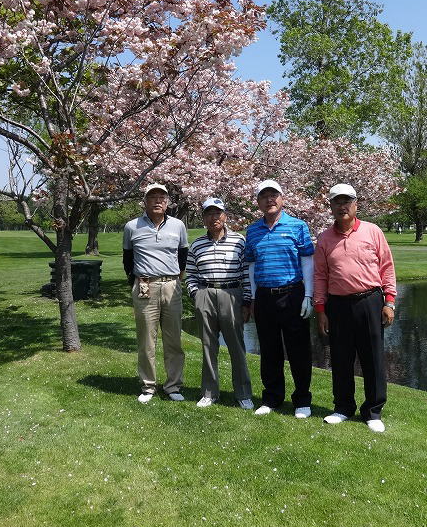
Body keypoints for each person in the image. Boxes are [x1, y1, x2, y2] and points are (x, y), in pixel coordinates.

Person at [313, 184, 396, 433]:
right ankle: (343, 407)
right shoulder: (325, 238)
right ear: (330, 206)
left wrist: (389, 302)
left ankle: (373, 411)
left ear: (356, 204)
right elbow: (320, 276)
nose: (342, 206)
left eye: (347, 201)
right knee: (341, 358)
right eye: (337, 202)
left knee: (372, 358)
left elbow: (387, 267)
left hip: (370, 301)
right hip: (337, 304)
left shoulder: (372, 231)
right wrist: (321, 310)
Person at [245, 179, 315, 419]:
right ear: (258, 202)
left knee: (299, 350)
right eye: (264, 196)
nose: (269, 200)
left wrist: (308, 295)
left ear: (282, 199)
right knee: (269, 350)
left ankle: (302, 400)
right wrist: (254, 297)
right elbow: (251, 265)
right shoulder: (253, 230)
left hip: (292, 294)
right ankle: (272, 398)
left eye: (273, 195)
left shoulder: (298, 226)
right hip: (265, 296)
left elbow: (307, 261)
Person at [185, 198, 254, 410]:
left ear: (224, 216)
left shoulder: (239, 241)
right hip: (205, 294)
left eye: (217, 213)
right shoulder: (196, 244)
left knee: (236, 346)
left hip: (231, 294)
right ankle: (209, 393)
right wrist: (196, 295)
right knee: (208, 346)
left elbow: (246, 273)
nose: (213, 217)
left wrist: (247, 300)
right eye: (209, 214)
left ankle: (243, 393)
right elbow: (190, 274)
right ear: (203, 218)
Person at [123, 183, 188, 403]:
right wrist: (137, 281)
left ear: (167, 202)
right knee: (146, 340)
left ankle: (173, 386)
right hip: (144, 285)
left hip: (171, 285)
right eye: (152, 197)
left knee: (173, 339)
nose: (158, 201)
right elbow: (128, 259)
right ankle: (148, 386)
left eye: (162, 197)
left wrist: (175, 278)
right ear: (145, 202)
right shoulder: (132, 226)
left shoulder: (178, 225)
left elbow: (182, 256)